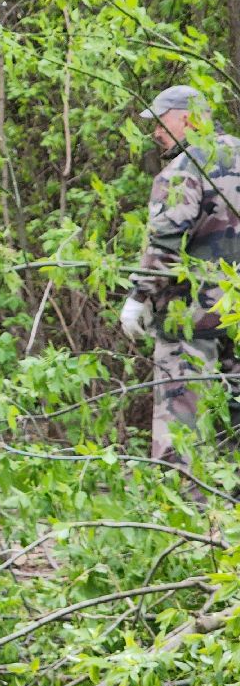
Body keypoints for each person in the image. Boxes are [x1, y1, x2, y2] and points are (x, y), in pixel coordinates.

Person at [119, 84, 240, 468]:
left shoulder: (183, 169)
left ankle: (185, 516)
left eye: (160, 120)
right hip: (236, 316)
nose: (155, 130)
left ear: (187, 118)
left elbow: (166, 243)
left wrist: (138, 298)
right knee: (234, 421)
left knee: (182, 425)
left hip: (189, 322)